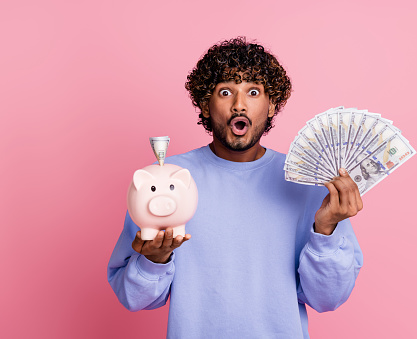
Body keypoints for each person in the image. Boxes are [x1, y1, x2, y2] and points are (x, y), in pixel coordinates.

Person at [108, 37, 364, 339]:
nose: (239, 104)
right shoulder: (165, 180)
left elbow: (327, 299)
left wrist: (325, 231)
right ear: (206, 105)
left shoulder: (308, 184)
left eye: (253, 92)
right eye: (225, 91)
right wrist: (154, 260)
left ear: (271, 106)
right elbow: (133, 298)